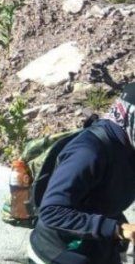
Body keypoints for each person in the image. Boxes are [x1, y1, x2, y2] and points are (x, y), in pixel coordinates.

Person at [28, 84, 135, 264]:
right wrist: (116, 228)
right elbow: (51, 211)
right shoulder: (88, 152)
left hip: (97, 246)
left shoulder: (127, 147)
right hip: (58, 253)